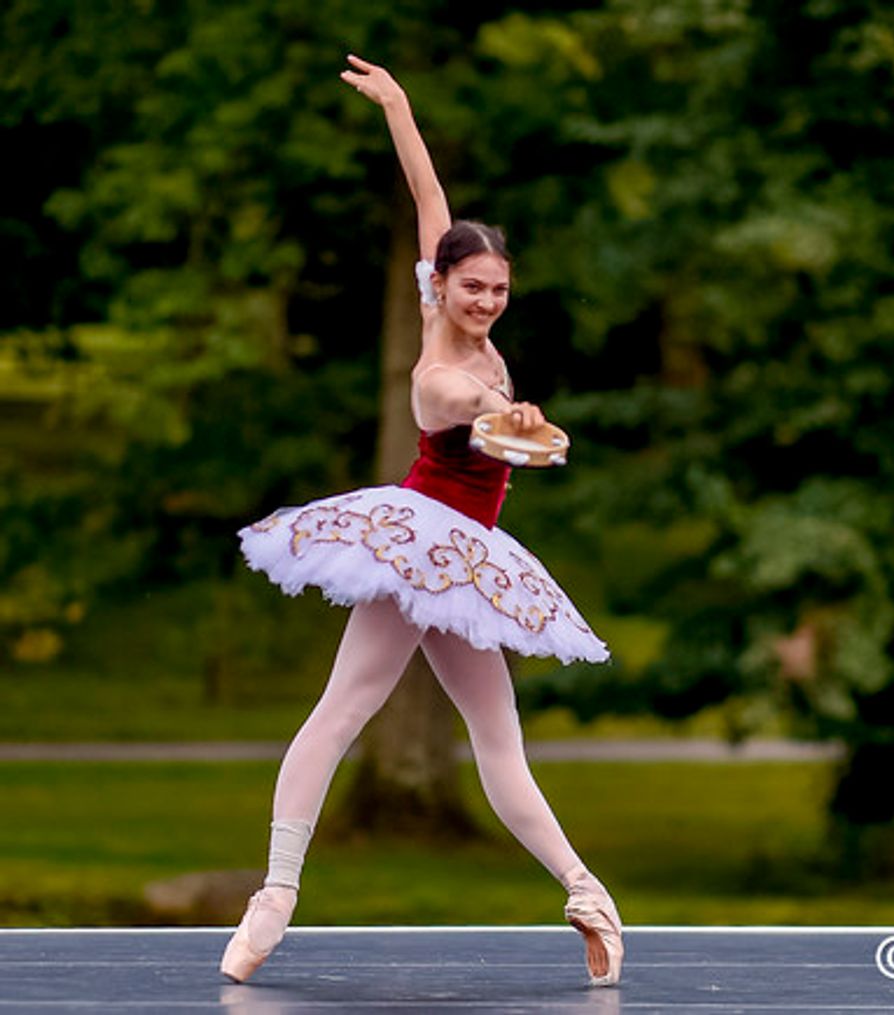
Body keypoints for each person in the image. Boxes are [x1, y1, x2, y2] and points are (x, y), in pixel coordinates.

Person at [220, 53, 623, 988]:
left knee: (498, 742)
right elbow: (460, 411)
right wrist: (507, 422)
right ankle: (274, 894)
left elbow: (427, 192)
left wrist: (399, 105)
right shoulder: (440, 374)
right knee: (344, 709)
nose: (486, 301)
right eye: (472, 288)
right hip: (418, 549)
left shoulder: (456, 303)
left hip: (470, 561)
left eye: (499, 290)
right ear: (438, 289)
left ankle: (586, 891)